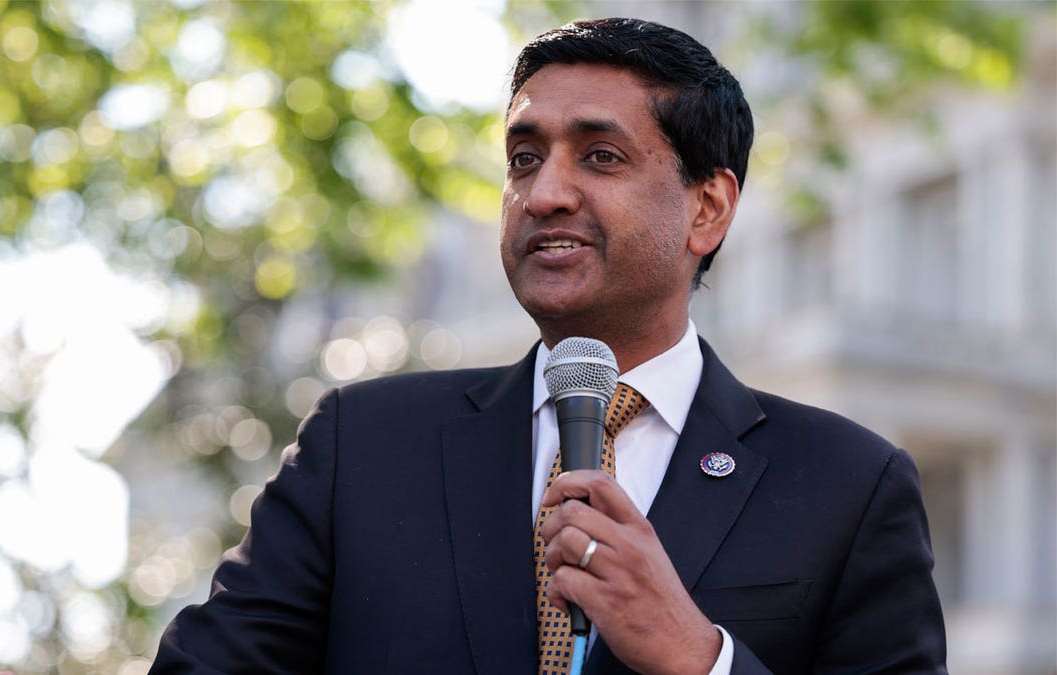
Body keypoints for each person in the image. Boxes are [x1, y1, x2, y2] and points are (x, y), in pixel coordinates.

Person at [152, 18, 946, 674]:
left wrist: (701, 658)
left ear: (708, 209)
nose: (546, 192)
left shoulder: (850, 483)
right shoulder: (361, 446)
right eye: (524, 159)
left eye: (600, 156)